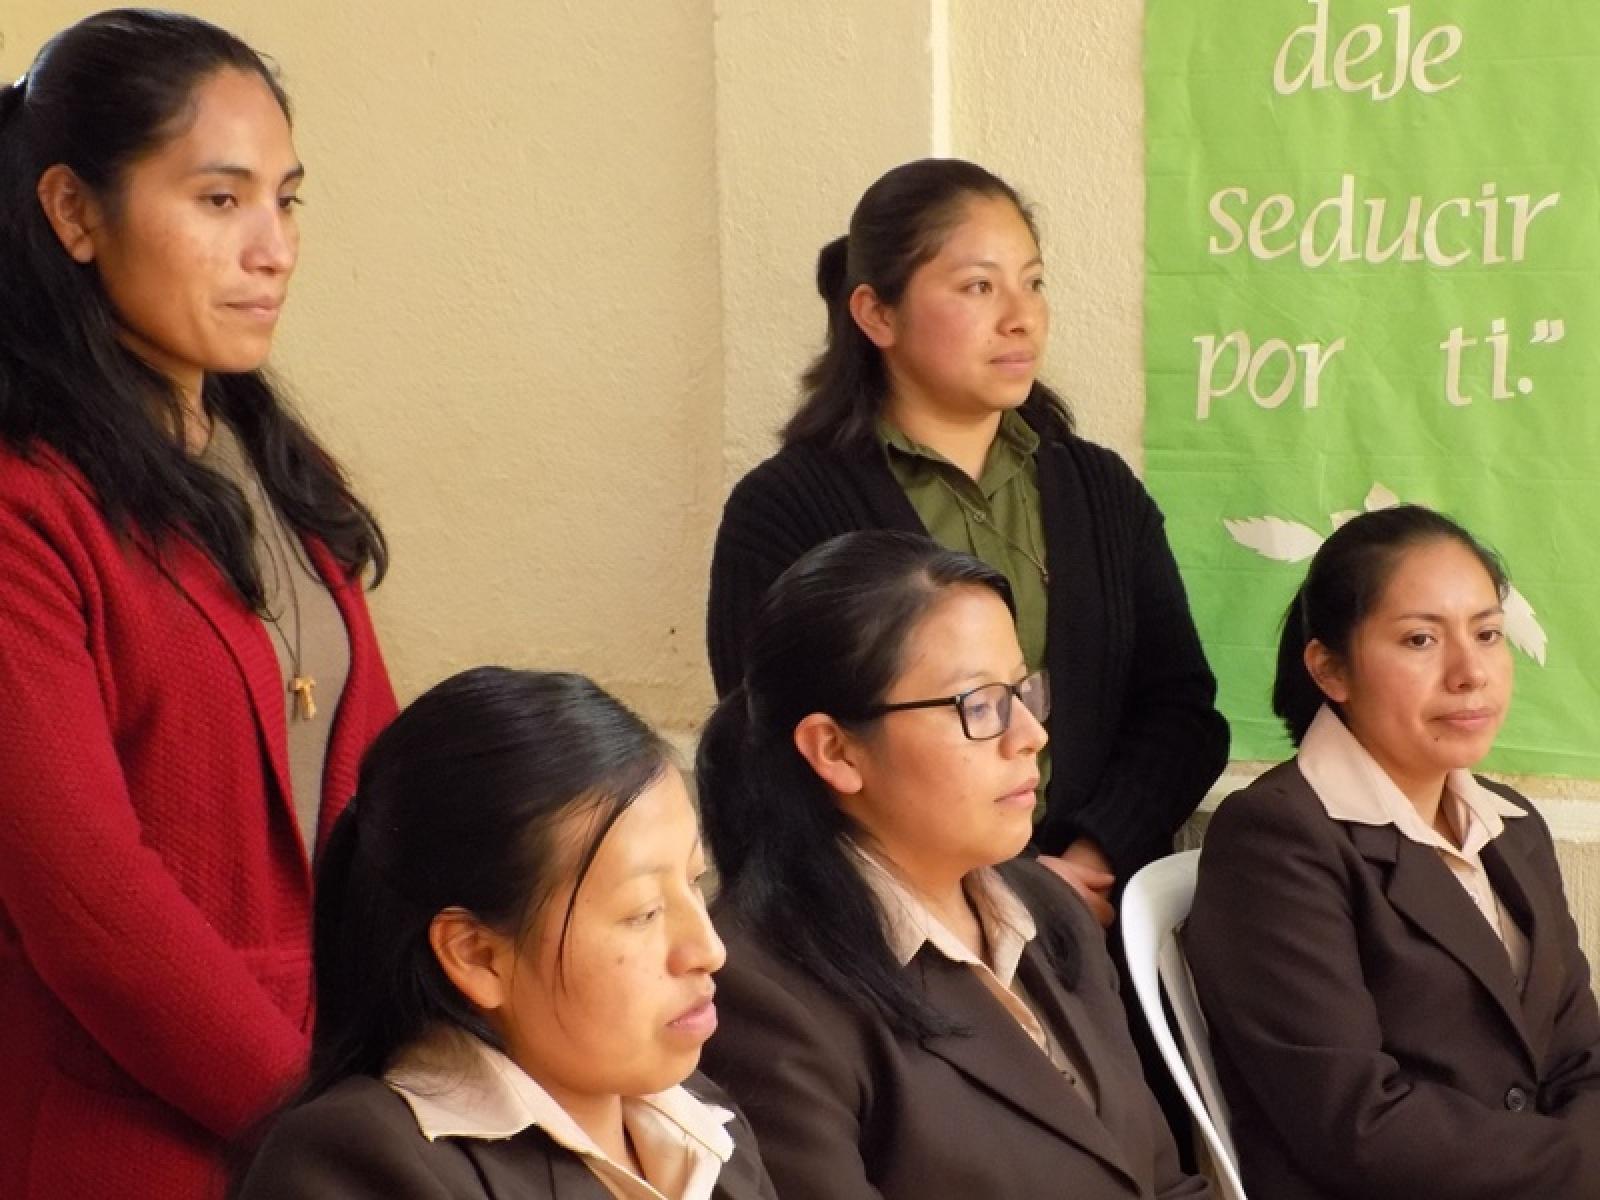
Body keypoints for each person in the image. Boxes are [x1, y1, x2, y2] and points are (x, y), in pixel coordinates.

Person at [0, 11, 396, 1197]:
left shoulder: (274, 463)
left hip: (344, 1091)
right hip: (137, 1130)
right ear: (74, 214)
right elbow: (93, 910)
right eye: (220, 202)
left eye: (286, 200)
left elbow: (378, 791)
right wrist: (324, 1124)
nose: (272, 248)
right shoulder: (28, 502)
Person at [706, 157, 1226, 922]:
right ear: (877, 315)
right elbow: (774, 751)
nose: (1021, 316)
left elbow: (1181, 710)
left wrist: (1086, 860)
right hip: (887, 930)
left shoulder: (1098, 489)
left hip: (1094, 921)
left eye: (1034, 281)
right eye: (979, 287)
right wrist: (1003, 883)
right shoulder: (786, 509)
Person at [696, 530, 1209, 1200]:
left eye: (1023, 691)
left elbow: (1161, 1180)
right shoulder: (756, 988)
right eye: (979, 705)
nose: (1031, 734)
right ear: (836, 751)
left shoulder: (1044, 904)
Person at [236, 668, 777, 1200]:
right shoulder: (360, 1163)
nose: (708, 950)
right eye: (643, 912)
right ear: (477, 956)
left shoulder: (702, 1120)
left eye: (694, 882)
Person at [1185, 506, 1600, 1199]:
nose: (1470, 672)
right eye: (1419, 640)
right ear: (1330, 669)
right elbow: (1358, 1126)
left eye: (1489, 633)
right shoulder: (1275, 839)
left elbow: (1580, 1052)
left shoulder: (1511, 822)